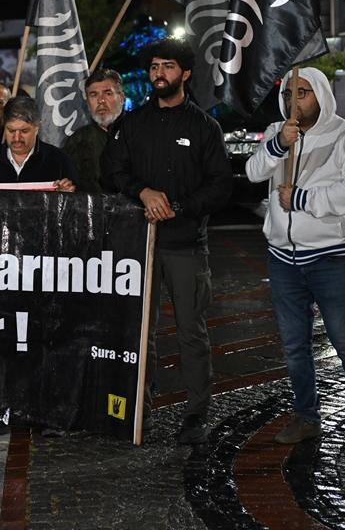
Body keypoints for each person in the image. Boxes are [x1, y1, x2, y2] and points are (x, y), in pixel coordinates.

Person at [245, 68, 345, 456]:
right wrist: (276, 145)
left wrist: (304, 199)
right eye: (289, 93)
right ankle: (307, 417)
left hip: (332, 257)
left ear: (321, 94)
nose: (295, 101)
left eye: (303, 93)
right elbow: (253, 172)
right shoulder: (279, 130)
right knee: (294, 345)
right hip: (282, 257)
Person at [101, 38, 232, 445]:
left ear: (186, 73)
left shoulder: (204, 127)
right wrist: (143, 192)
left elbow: (221, 186)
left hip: (186, 244)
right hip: (140, 247)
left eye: (169, 67)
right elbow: (112, 172)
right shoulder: (132, 124)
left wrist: (177, 205)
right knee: (141, 330)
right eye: (155, 66)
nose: (160, 73)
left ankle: (195, 414)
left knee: (191, 331)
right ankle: (141, 406)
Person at [0, 96, 77, 189]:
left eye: (24, 131)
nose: (17, 138)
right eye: (11, 130)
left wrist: (67, 197)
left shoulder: (59, 161)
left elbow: (78, 208)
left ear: (37, 127)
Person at [64, 69, 124, 193]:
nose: (101, 100)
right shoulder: (76, 141)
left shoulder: (140, 131)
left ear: (121, 98)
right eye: (93, 95)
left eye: (108, 93)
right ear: (87, 102)